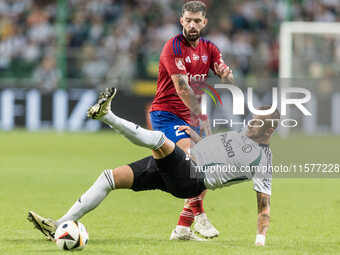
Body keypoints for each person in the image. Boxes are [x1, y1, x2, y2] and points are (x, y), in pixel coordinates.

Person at [28, 88, 278, 246]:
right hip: (183, 167)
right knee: (108, 178)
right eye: (252, 119)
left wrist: (259, 241)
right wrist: (195, 135)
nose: (250, 124)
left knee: (160, 141)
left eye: (257, 123)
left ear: (270, 129)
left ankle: (106, 116)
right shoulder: (242, 136)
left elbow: (264, 206)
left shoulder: (262, 161)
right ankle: (58, 224)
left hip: (191, 180)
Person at [150, 1, 234, 240]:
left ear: (204, 22)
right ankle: (200, 216)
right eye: (188, 20)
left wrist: (228, 76)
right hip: (167, 114)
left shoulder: (210, 49)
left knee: (209, 165)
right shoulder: (172, 47)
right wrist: (203, 116)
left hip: (191, 116)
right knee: (195, 157)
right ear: (182, 21)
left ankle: (182, 227)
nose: (192, 24)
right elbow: (182, 88)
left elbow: (228, 77)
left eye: (197, 20)